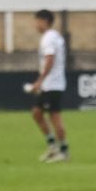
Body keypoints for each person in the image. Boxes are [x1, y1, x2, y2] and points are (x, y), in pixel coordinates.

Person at [28, 9, 69, 162]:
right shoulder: (55, 36)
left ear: (44, 21)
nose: (35, 25)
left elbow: (50, 60)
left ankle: (63, 151)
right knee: (37, 113)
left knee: (54, 117)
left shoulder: (48, 38)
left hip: (52, 84)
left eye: (37, 21)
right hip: (52, 84)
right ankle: (53, 146)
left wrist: (39, 81)